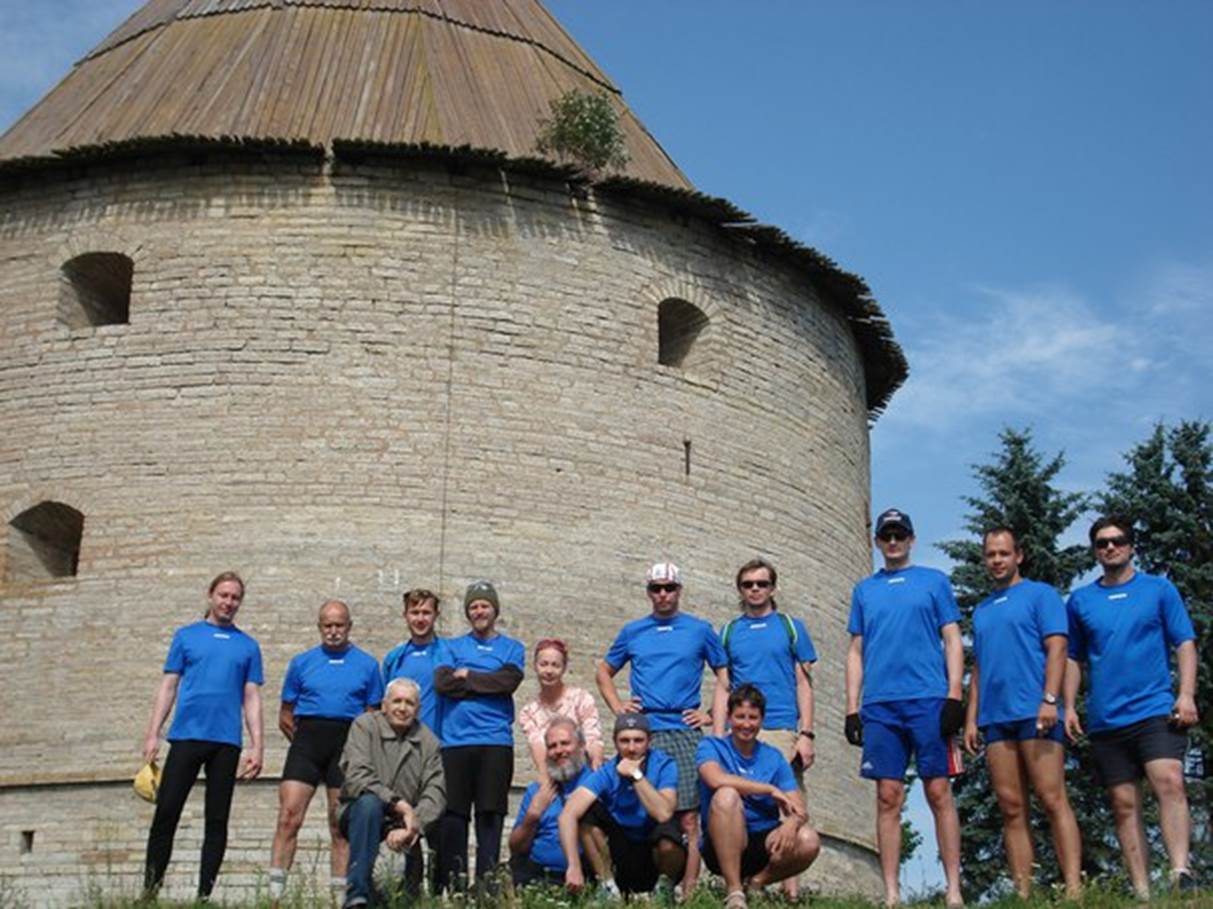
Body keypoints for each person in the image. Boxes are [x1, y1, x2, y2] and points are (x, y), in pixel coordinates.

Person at [1064, 515, 1200, 898]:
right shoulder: (1081, 601)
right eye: (1102, 543)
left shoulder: (1158, 590)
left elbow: (1185, 643)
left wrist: (1186, 694)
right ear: (1095, 551)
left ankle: (1179, 872)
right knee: (1123, 803)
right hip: (1107, 718)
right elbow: (1074, 658)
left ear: (1131, 546)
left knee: (1169, 782)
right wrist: (1069, 706)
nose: (1110, 547)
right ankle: (1142, 891)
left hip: (1155, 709)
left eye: (1117, 541)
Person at [845, 509, 965, 908]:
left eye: (899, 534)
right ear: (877, 542)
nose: (893, 542)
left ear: (911, 539)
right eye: (886, 536)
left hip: (928, 698)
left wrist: (954, 696)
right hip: (881, 703)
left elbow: (952, 640)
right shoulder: (865, 590)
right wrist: (851, 707)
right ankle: (892, 894)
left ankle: (953, 890)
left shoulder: (934, 582)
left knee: (938, 791)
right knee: (888, 796)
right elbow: (856, 651)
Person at [962, 528, 1082, 899]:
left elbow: (1058, 649)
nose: (996, 560)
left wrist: (1050, 699)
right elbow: (980, 667)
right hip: (996, 718)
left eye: (1003, 553)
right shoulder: (982, 611)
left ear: (1019, 556)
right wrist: (971, 717)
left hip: (1036, 711)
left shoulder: (1041, 595)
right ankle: (1023, 894)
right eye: (990, 555)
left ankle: (1074, 889)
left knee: (1051, 797)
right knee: (1011, 806)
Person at [597, 561, 727, 895]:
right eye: (657, 588)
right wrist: (618, 707)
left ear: (679, 591)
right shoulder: (633, 631)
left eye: (669, 588)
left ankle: (688, 890)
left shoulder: (699, 630)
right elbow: (604, 671)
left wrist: (711, 715)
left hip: (683, 731)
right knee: (642, 810)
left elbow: (725, 674)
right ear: (649, 592)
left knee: (687, 817)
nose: (663, 594)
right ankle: (645, 885)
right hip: (644, 732)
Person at [141, 571, 264, 900]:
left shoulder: (248, 646)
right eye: (224, 595)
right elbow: (168, 686)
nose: (229, 602)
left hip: (226, 742)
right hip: (186, 737)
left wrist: (257, 745)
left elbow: (251, 697)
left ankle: (204, 896)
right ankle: (150, 890)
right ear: (211, 596)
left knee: (217, 820)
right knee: (166, 812)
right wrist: (153, 734)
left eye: (235, 597)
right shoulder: (186, 636)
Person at [712, 558, 817, 899]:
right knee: (737, 799)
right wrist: (717, 736)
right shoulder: (729, 631)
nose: (755, 589)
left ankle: (788, 892)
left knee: (788, 806)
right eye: (748, 584)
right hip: (740, 729)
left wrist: (806, 733)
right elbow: (722, 687)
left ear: (773, 588)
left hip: (782, 725)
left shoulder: (790, 626)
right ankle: (738, 879)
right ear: (740, 590)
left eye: (761, 583)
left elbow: (804, 682)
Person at [268, 600, 384, 905]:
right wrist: (303, 742)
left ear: (349, 626)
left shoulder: (368, 665)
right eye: (327, 625)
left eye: (339, 625)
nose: (334, 631)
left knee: (339, 825)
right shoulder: (301, 662)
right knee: (288, 817)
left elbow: (373, 716)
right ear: (319, 627)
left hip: (346, 747)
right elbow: (285, 715)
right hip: (306, 745)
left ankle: (338, 900)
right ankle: (274, 898)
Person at [432, 581, 525, 892]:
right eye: (473, 606)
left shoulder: (512, 648)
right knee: (454, 817)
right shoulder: (451, 646)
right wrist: (487, 682)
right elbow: (444, 684)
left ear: (494, 610)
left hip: (495, 742)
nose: (479, 611)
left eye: (484, 605)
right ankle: (456, 889)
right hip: (455, 742)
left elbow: (508, 682)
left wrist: (468, 676)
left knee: (490, 817)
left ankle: (485, 890)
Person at [698, 685, 821, 909]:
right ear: (728, 717)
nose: (746, 724)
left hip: (764, 842)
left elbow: (799, 809)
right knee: (726, 795)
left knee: (809, 840)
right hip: (721, 841)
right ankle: (734, 893)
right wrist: (768, 789)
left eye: (753, 717)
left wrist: (791, 823)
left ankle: (756, 883)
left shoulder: (773, 758)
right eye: (740, 717)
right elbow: (714, 779)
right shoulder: (711, 746)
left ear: (762, 720)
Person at [337, 677, 446, 909]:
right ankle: (357, 896)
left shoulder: (429, 742)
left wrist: (413, 825)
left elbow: (435, 792)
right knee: (369, 805)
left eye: (409, 703)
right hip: (360, 813)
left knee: (404, 897)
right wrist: (399, 804)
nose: (402, 708)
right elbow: (357, 774)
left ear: (418, 709)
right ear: (384, 704)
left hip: (404, 824)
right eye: (397, 701)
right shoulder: (364, 726)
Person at [558, 714, 686, 901]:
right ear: (615, 743)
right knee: (587, 813)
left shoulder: (664, 764)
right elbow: (567, 814)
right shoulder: (607, 771)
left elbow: (663, 813)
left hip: (653, 853)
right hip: (621, 853)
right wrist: (573, 866)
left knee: (670, 833)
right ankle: (608, 888)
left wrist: (635, 775)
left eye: (638, 740)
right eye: (624, 741)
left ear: (649, 741)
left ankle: (663, 891)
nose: (631, 748)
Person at [381, 588, 446, 893]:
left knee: (436, 820)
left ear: (435, 615)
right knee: (405, 818)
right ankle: (410, 892)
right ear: (406, 615)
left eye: (426, 613)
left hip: (437, 749)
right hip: (402, 752)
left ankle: (438, 891)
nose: (420, 619)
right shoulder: (395, 658)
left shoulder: (446, 653)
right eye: (414, 612)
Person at [508, 715, 594, 888]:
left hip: (584, 874)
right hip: (535, 873)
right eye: (552, 746)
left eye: (565, 743)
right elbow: (516, 848)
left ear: (582, 746)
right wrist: (532, 816)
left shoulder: (597, 784)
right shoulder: (537, 790)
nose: (559, 750)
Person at [519, 638, 605, 778]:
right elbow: (538, 746)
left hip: (584, 770)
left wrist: (597, 764)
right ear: (535, 666)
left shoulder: (581, 699)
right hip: (554, 773)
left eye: (555, 665)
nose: (549, 671)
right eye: (543, 664)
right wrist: (545, 780)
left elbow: (593, 737)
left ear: (564, 668)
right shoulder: (528, 712)